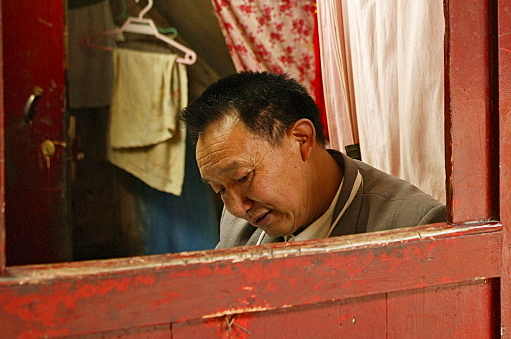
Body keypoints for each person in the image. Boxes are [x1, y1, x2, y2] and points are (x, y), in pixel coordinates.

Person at [181, 71, 447, 247]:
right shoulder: (236, 222)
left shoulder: (413, 228)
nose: (238, 208)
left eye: (243, 177)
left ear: (301, 139)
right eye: (220, 190)